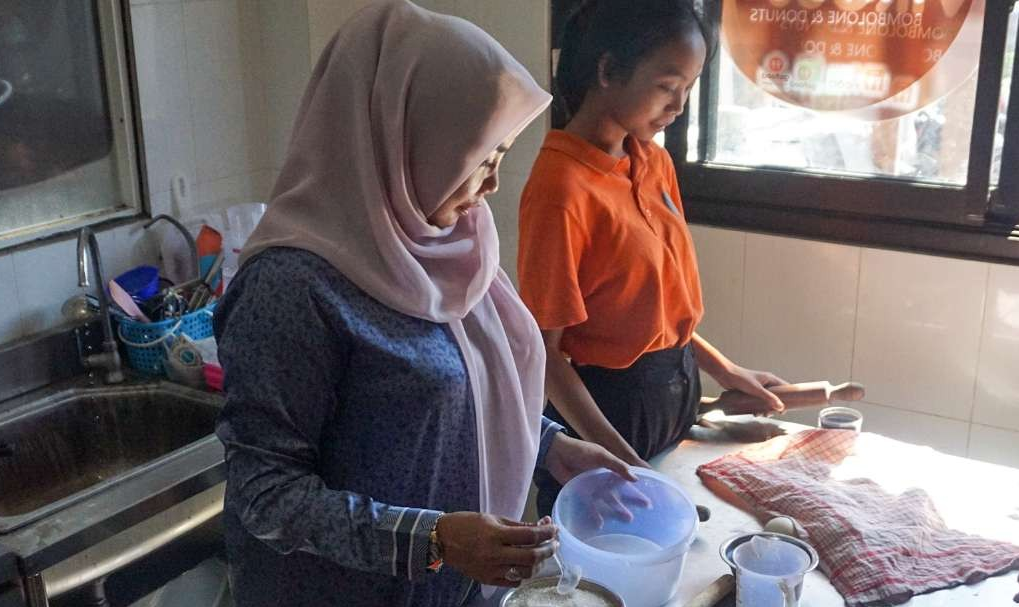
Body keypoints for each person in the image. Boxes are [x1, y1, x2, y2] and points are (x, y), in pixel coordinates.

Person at [213, 2, 635, 606]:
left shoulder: (457, 249)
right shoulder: (292, 287)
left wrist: (549, 445)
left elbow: (448, 397)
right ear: (403, 137)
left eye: (501, 156)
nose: (491, 184)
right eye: (479, 157)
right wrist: (433, 538)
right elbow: (265, 493)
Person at [517, 0, 788, 518]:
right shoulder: (561, 187)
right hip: (609, 414)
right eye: (668, 86)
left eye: (688, 89)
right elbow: (545, 356)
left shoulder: (652, 160)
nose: (680, 105)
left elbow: (657, 307)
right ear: (607, 70)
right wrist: (624, 461)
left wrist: (728, 372)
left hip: (677, 390)